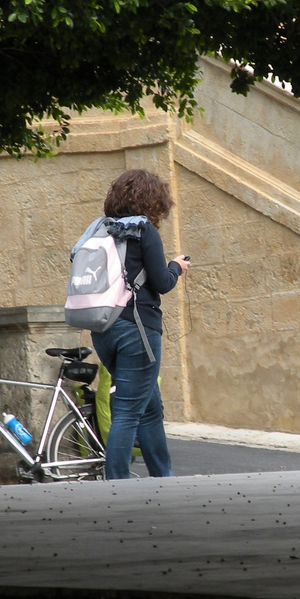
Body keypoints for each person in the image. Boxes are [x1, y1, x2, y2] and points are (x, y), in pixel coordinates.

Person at [89, 169, 190, 479]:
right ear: (152, 201)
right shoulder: (144, 230)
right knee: (129, 412)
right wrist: (176, 267)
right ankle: (117, 484)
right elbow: (161, 282)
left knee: (149, 409)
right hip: (137, 330)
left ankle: (163, 477)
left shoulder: (101, 230)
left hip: (103, 328)